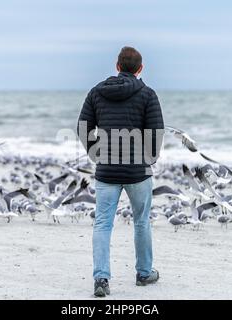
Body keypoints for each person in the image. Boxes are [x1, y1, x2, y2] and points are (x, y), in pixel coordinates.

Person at [77, 46, 164, 297]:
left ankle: (101, 280)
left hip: (106, 170)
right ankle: (144, 273)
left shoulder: (96, 92)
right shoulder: (147, 94)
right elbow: (156, 132)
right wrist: (150, 157)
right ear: (140, 69)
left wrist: (96, 154)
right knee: (141, 222)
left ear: (117, 66)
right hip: (138, 171)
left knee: (103, 224)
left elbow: (83, 128)